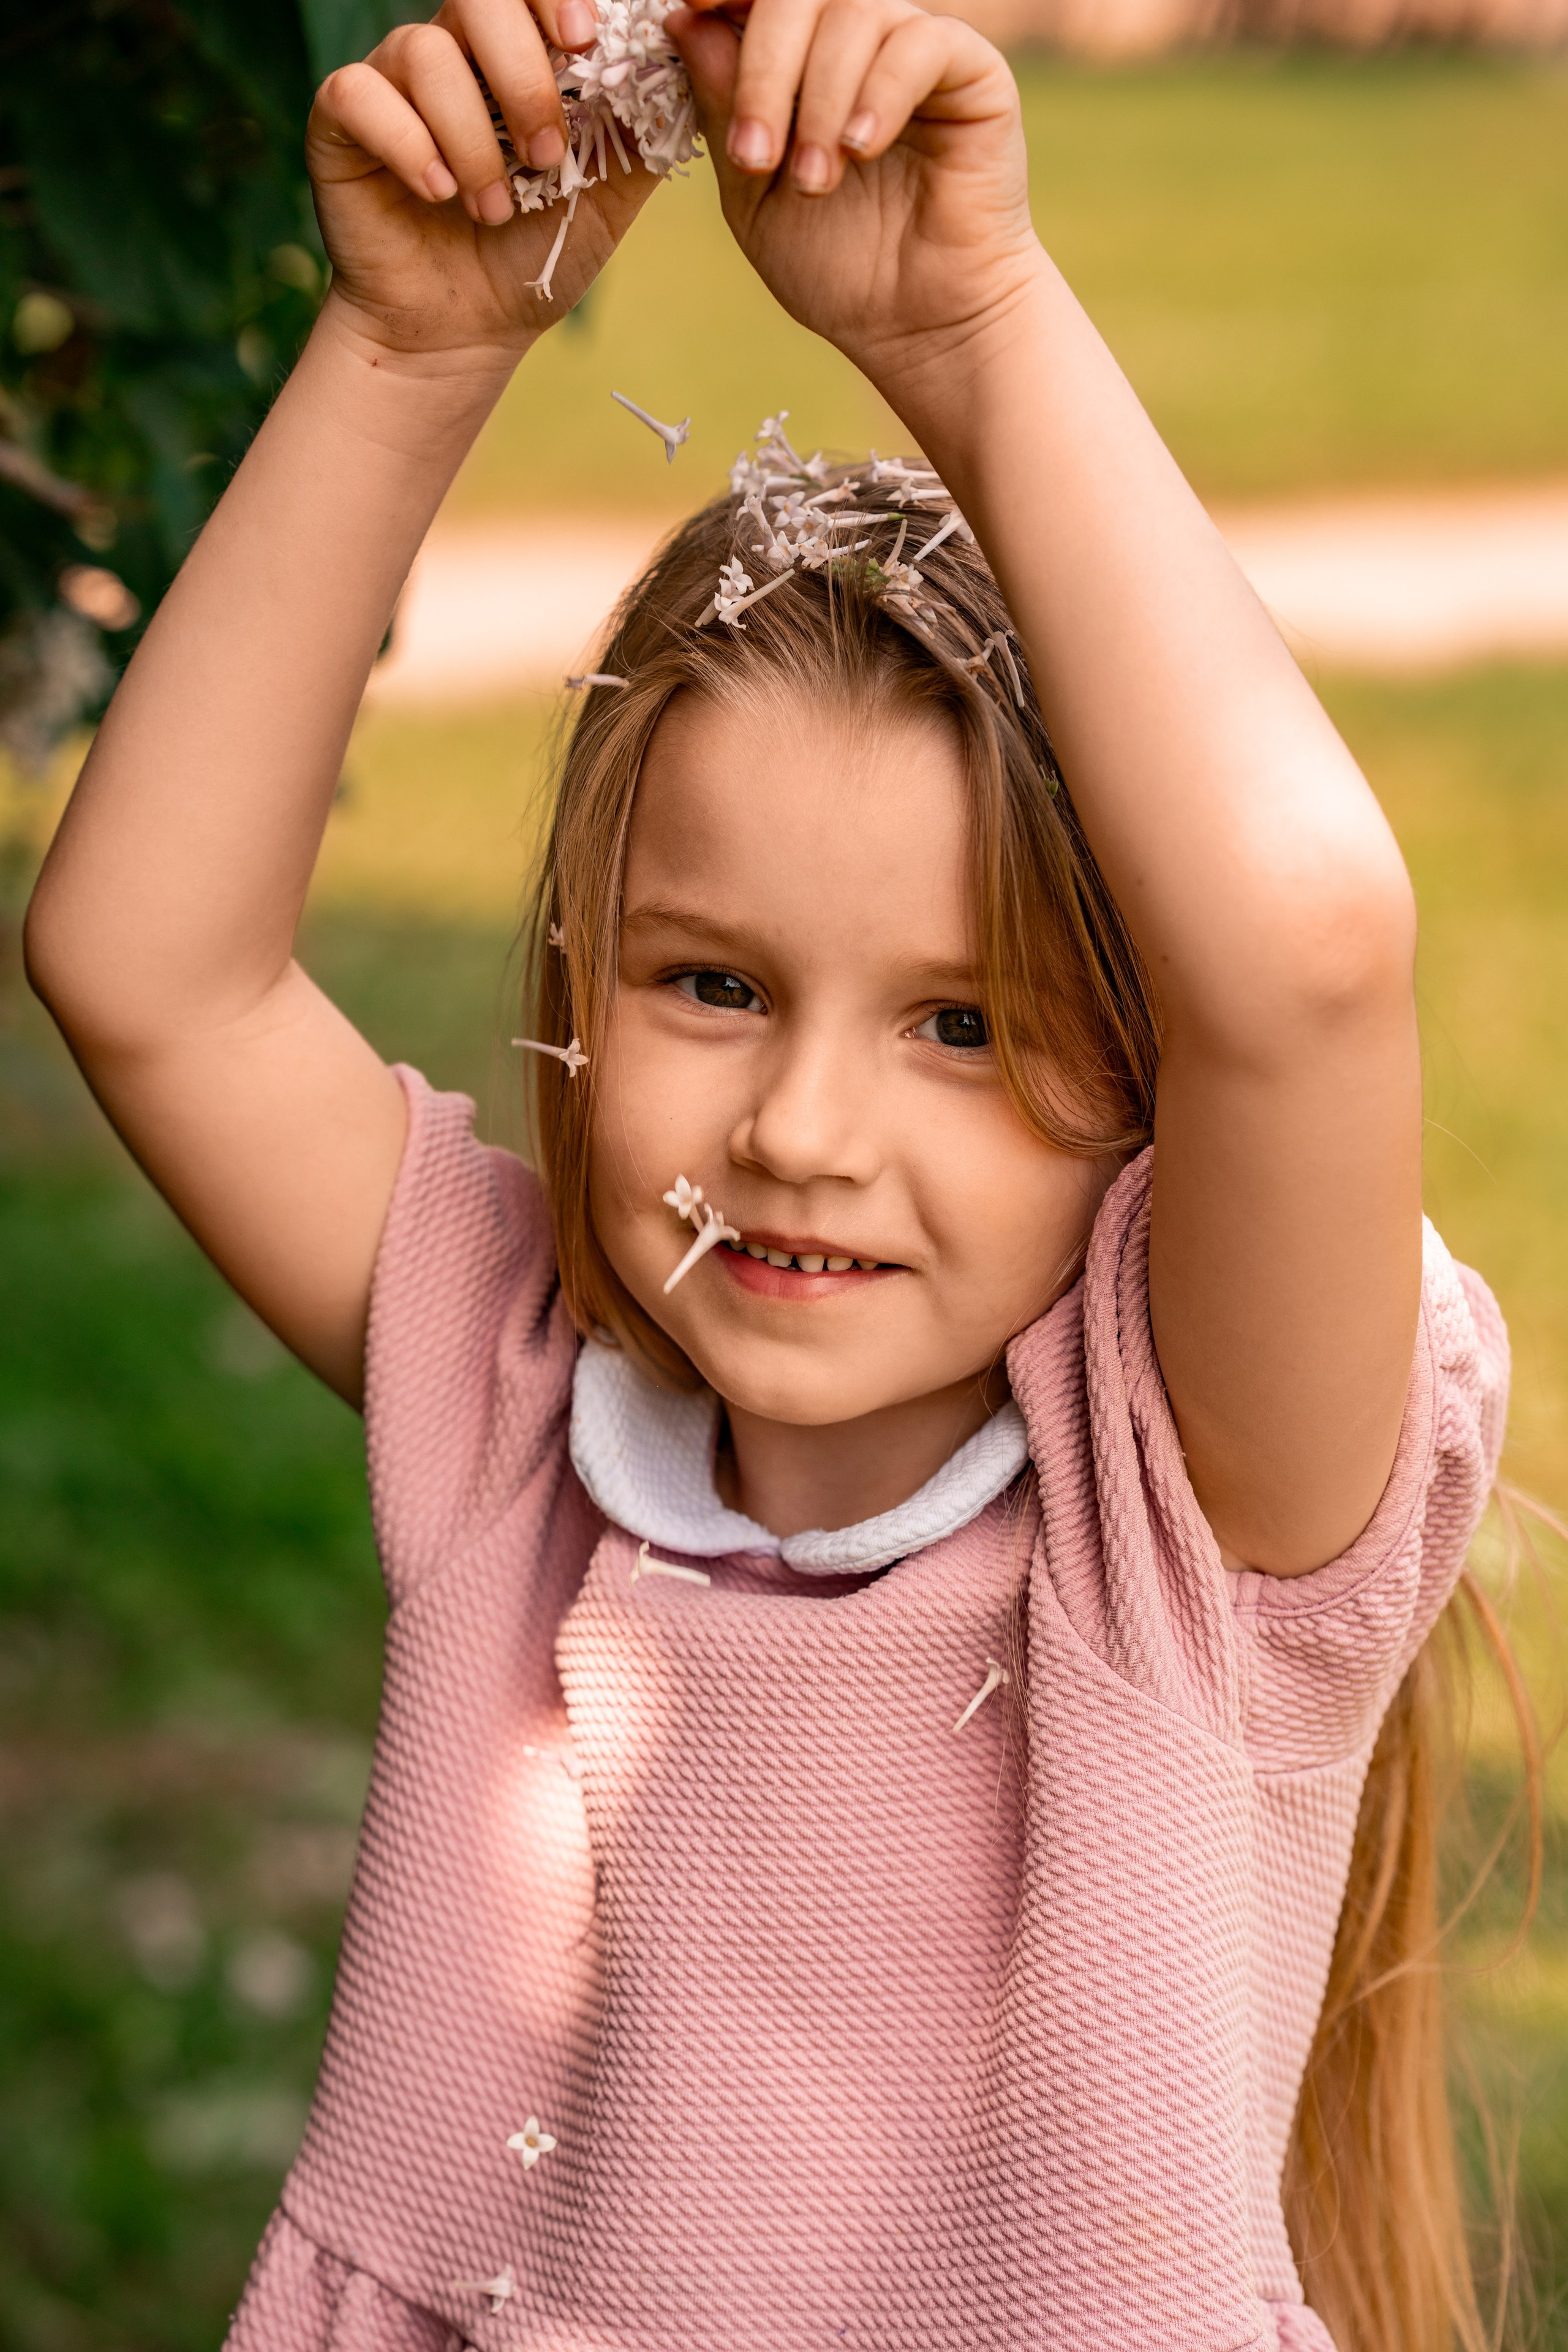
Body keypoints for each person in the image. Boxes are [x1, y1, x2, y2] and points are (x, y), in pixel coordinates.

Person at [23, 0, 1514, 2344]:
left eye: (964, 1025)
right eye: (712, 985)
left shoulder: (1193, 1501)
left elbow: (1309, 950)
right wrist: (415, 351)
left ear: (1141, 1080)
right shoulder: (518, 1387)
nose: (805, 1133)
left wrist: (972, 326)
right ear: (573, 992)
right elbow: (145, 966)